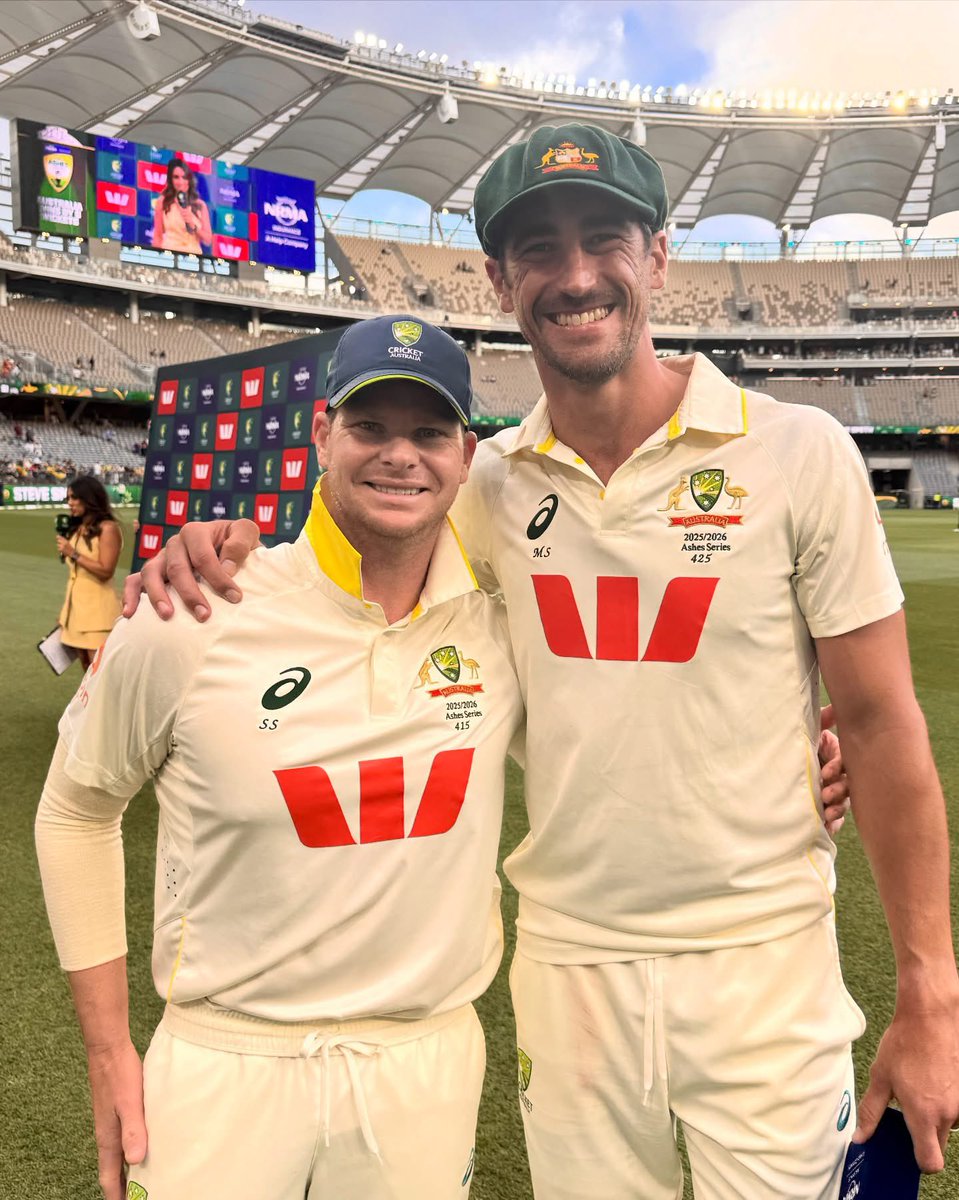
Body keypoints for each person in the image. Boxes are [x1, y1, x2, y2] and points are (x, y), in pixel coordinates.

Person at [127, 123, 958, 1199]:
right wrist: (221, 541)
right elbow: (346, 565)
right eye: (537, 248)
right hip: (569, 967)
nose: (574, 275)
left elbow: (881, 721)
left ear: (656, 257)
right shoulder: (482, 487)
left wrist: (929, 991)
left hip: (765, 958)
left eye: (603, 237)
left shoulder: (798, 453)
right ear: (497, 280)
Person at [36, 318, 525, 1200]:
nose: (399, 456)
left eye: (428, 432)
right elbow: (75, 810)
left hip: (424, 1061)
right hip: (226, 1058)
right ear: (321, 435)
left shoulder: (503, 623)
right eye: (370, 427)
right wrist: (108, 1054)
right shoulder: (194, 612)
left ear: (465, 457)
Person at [55, 475, 122, 670]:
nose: (70, 503)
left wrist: (73, 553)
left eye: (74, 498)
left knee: (98, 674)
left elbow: (106, 570)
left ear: (89, 498)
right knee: (86, 671)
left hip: (98, 614)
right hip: (76, 613)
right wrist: (65, 613)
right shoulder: (79, 528)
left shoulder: (108, 529)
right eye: (68, 498)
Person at [151, 157, 212, 255]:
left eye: (184, 177)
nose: (180, 182)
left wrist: (193, 224)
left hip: (193, 256)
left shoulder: (200, 205)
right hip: (169, 254)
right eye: (176, 177)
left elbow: (208, 239)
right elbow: (157, 237)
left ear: (189, 179)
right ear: (171, 180)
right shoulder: (163, 201)